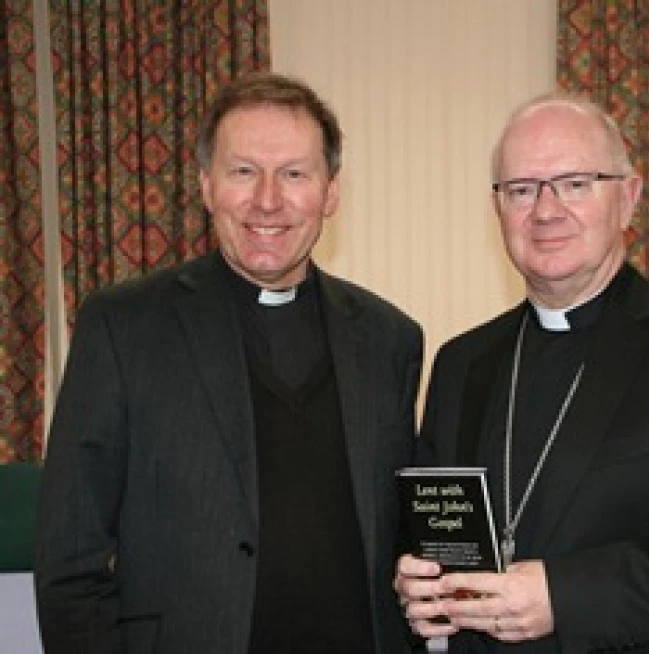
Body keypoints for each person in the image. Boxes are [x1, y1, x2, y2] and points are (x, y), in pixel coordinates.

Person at [395, 91, 649, 653]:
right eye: (521, 189)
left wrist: (565, 597)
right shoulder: (463, 363)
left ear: (628, 199)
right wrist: (419, 586)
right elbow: (436, 538)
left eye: (574, 183)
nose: (545, 210)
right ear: (498, 209)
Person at [35, 72, 423, 654]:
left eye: (294, 174)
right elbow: (69, 559)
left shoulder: (389, 338)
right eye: (243, 171)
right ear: (205, 185)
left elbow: (403, 540)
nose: (267, 200)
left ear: (331, 193)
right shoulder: (123, 328)